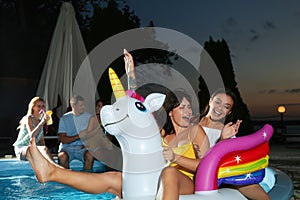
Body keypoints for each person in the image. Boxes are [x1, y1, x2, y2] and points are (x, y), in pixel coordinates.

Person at [199, 88, 271, 200]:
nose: (220, 108)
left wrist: (225, 139)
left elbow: (228, 165)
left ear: (229, 112)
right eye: (218, 102)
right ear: (210, 101)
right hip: (198, 175)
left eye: (226, 106)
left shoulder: (228, 132)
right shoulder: (192, 124)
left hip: (221, 176)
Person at [57, 95, 95, 170]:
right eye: (81, 105)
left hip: (82, 148)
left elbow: (93, 134)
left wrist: (89, 143)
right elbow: (63, 139)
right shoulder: (64, 118)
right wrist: (78, 136)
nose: (83, 107)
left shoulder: (89, 117)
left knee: (90, 155)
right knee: (62, 156)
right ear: (73, 105)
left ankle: (87, 179)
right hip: (67, 148)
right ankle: (66, 179)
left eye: (84, 105)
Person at [13, 97, 53, 161]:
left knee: (45, 151)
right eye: (38, 106)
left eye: (43, 106)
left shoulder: (40, 121)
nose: (41, 108)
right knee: (42, 151)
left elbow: (41, 141)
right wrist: (42, 123)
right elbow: (32, 135)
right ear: (33, 107)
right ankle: (56, 168)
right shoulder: (28, 118)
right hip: (22, 149)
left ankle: (55, 168)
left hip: (35, 149)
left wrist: (45, 152)